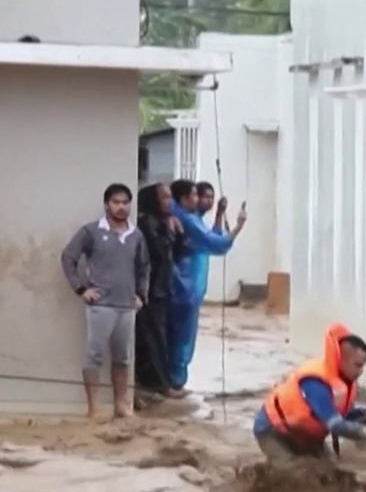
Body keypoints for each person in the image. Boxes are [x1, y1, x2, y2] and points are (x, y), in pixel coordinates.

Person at [60, 183, 150, 420]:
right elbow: (68, 257)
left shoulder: (136, 235)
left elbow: (144, 267)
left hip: (127, 307)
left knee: (123, 358)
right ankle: (93, 408)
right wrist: (81, 289)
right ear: (107, 205)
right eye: (116, 202)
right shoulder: (91, 232)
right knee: (94, 356)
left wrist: (141, 295)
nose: (121, 207)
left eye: (125, 202)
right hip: (100, 307)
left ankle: (121, 405)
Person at [254, 323, 366, 470]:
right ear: (341, 359)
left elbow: (341, 413)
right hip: (273, 430)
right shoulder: (316, 384)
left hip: (304, 433)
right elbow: (337, 425)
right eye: (357, 365)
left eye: (363, 366)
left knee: (331, 472)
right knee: (293, 473)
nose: (361, 371)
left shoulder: (344, 383)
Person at [165, 179, 247, 392]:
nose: (203, 200)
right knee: (181, 339)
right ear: (184, 199)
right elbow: (217, 244)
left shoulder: (191, 219)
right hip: (184, 288)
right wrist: (238, 226)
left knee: (180, 337)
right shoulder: (188, 220)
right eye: (197, 196)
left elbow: (212, 237)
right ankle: (174, 381)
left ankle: (174, 380)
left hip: (188, 289)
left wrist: (220, 214)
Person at [134, 183, 186, 404]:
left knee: (156, 338)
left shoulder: (163, 222)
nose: (170, 202)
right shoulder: (147, 223)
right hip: (149, 290)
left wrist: (177, 232)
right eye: (164, 198)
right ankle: (161, 385)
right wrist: (168, 229)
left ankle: (154, 383)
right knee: (153, 340)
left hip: (161, 289)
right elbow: (156, 252)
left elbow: (176, 253)